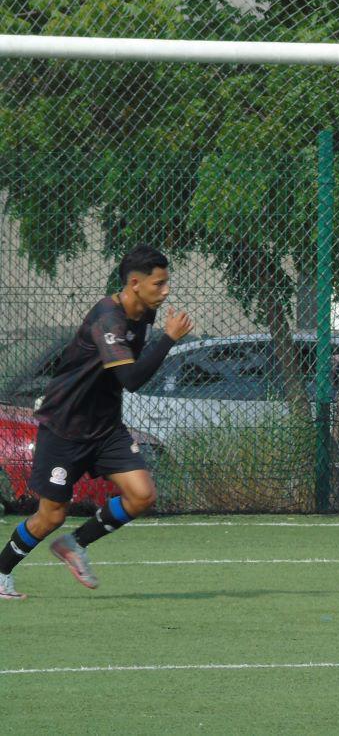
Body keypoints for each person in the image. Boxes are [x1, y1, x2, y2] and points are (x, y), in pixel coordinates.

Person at [0, 245, 194, 600]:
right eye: (159, 284)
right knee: (51, 515)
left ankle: (75, 544)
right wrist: (169, 339)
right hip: (65, 427)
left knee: (142, 494)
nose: (166, 291)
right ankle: (1, 572)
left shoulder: (143, 312)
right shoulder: (109, 318)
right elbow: (131, 379)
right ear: (135, 283)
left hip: (105, 428)